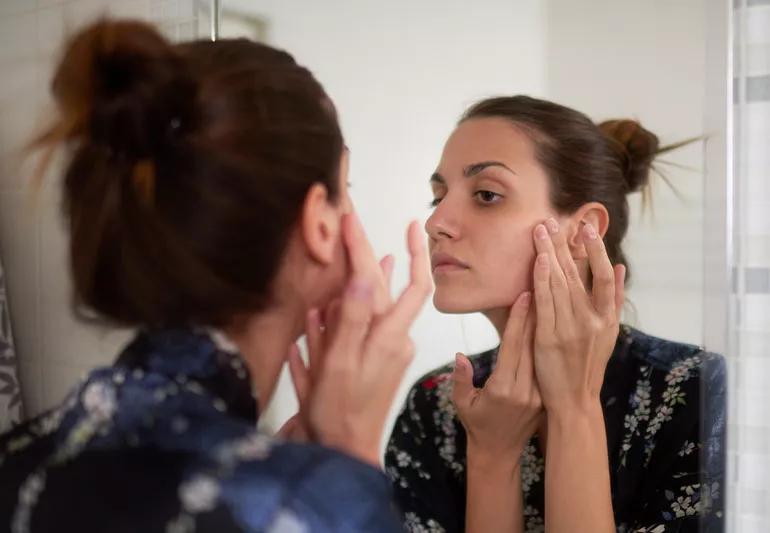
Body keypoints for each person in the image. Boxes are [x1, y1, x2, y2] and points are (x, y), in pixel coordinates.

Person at [0, 18, 432, 532]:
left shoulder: (17, 456)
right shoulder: (311, 502)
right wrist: (348, 460)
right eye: (347, 183)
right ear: (318, 222)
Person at [385, 96, 726, 533]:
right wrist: (491, 457)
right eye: (438, 197)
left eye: (486, 195)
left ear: (584, 231)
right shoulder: (434, 407)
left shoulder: (696, 394)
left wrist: (573, 408)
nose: (438, 223)